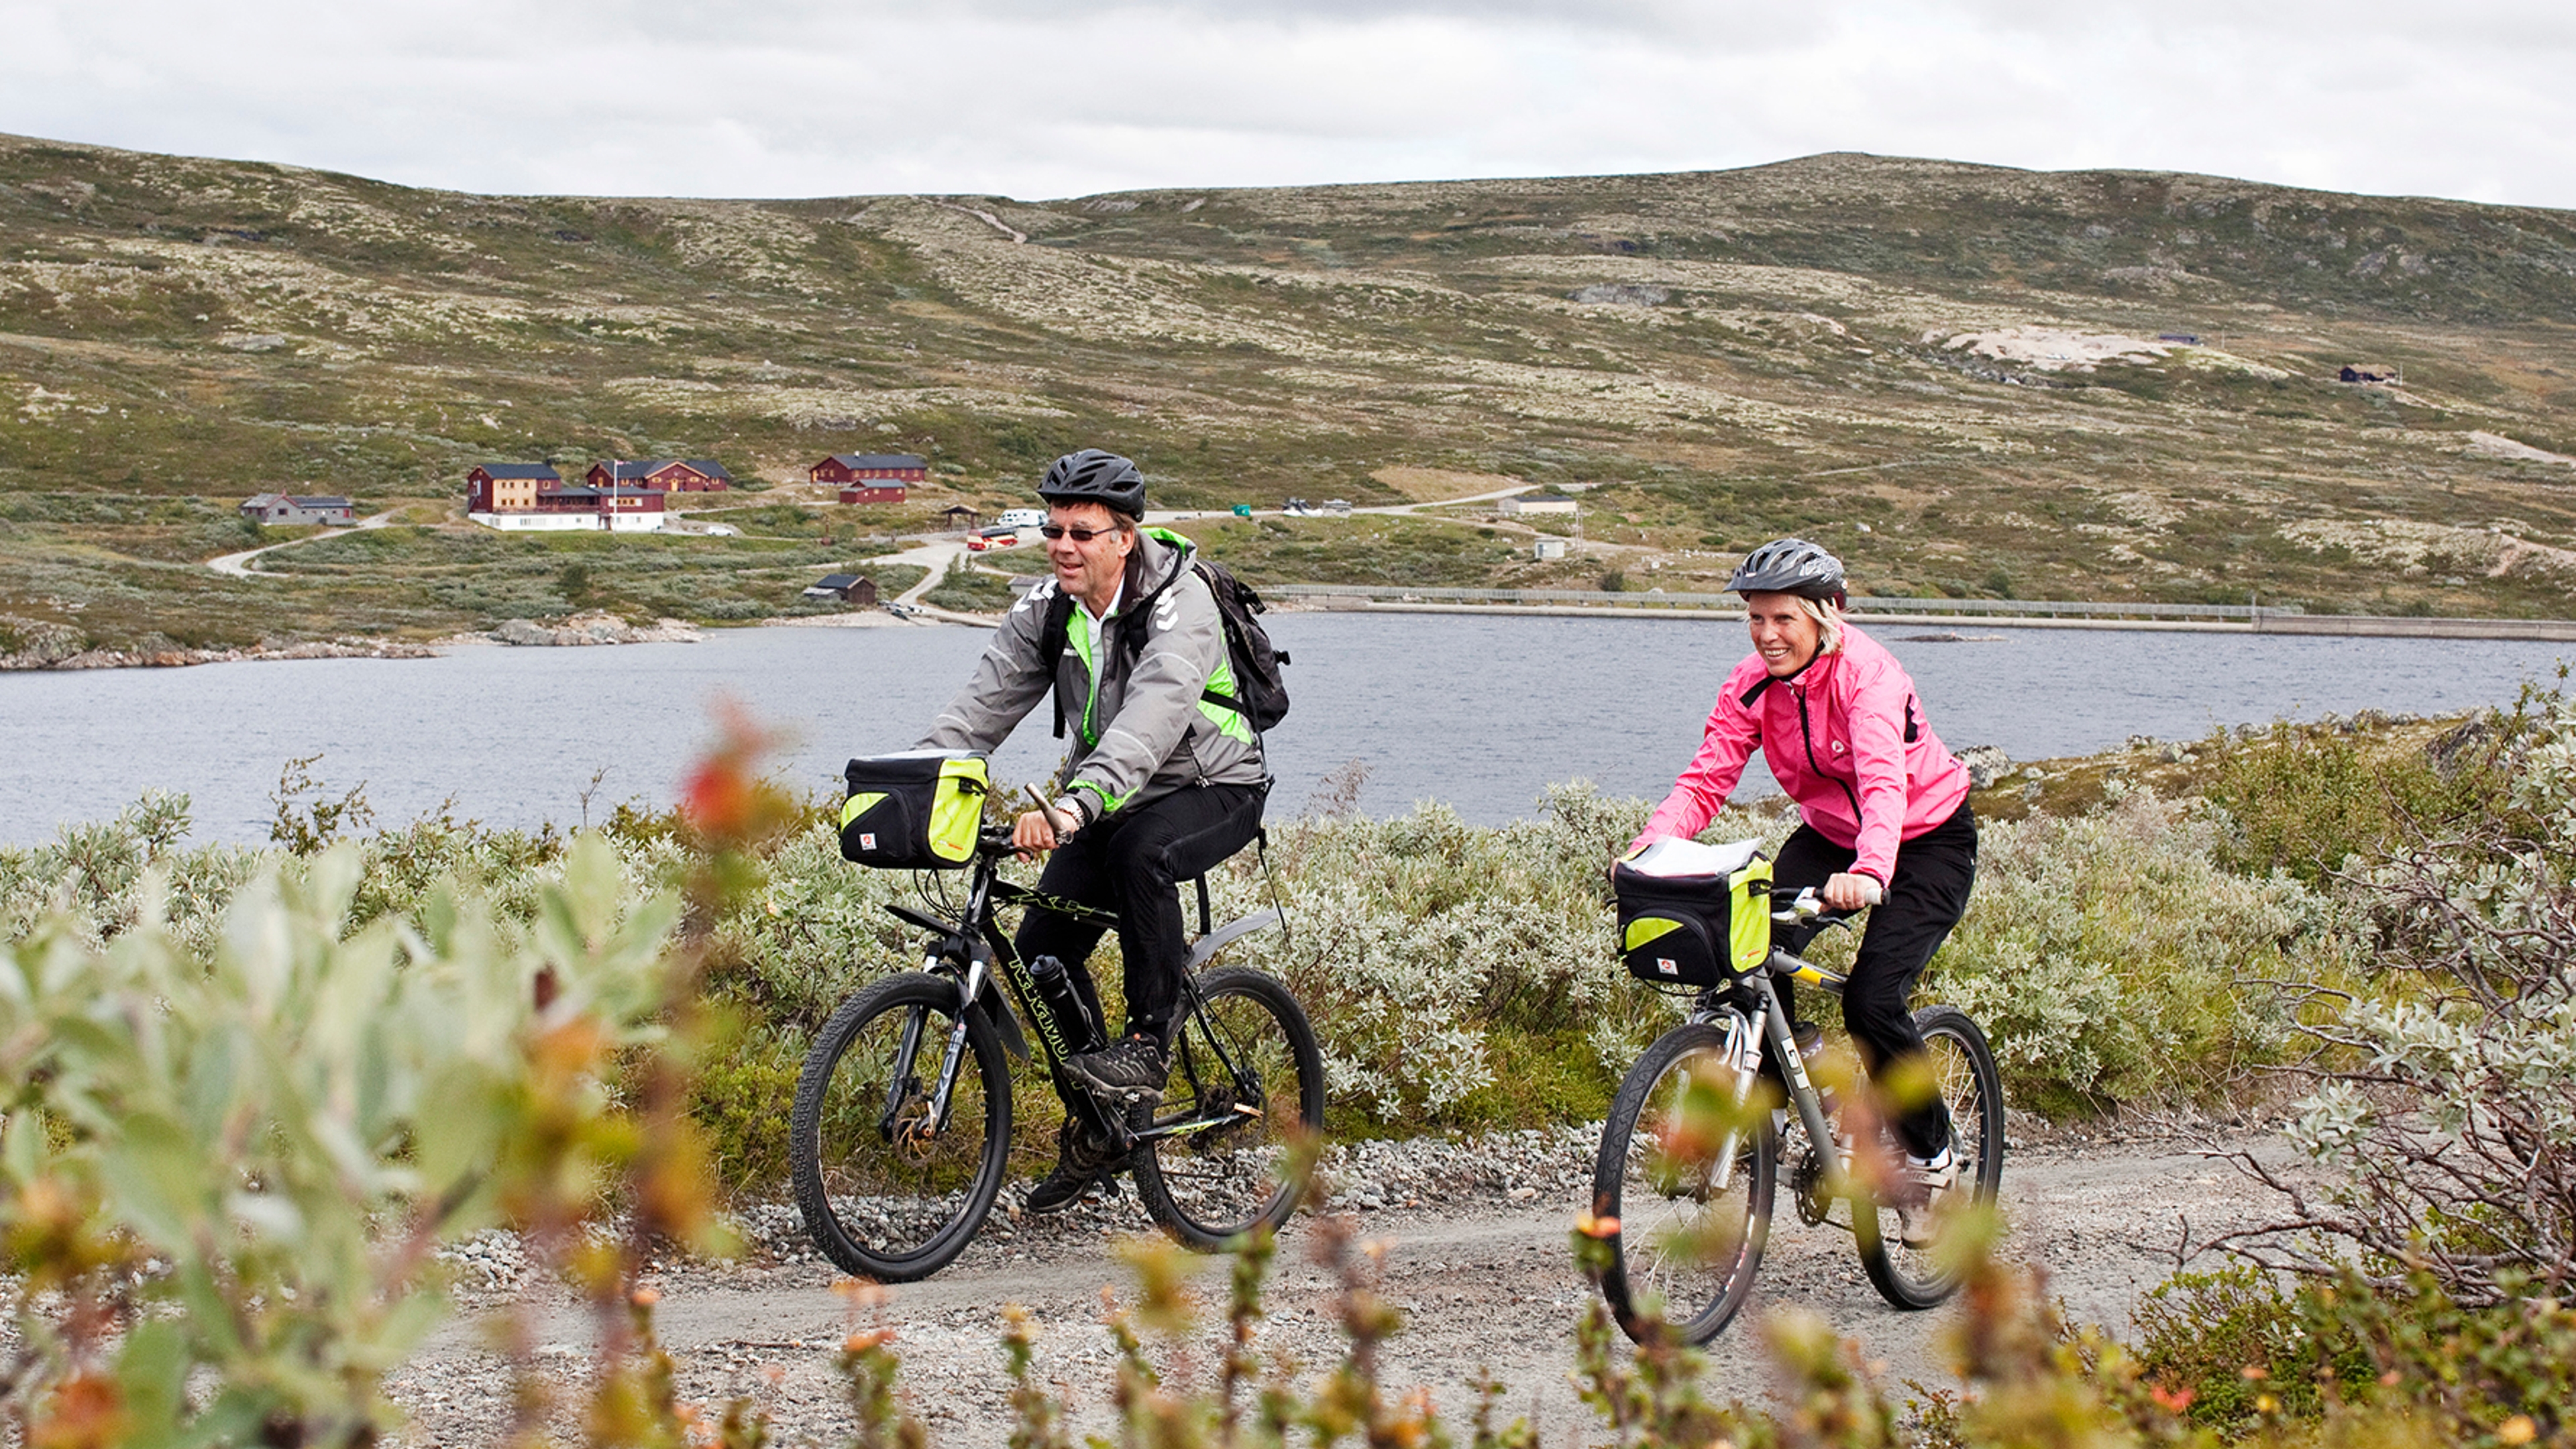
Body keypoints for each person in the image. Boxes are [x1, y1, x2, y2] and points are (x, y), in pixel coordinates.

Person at [918, 448, 1269, 1212]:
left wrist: (1078, 805)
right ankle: (1101, 1129)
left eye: (1082, 532)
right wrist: (915, 782)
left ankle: (1146, 1047)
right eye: (1053, 531)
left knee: (1143, 854)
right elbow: (978, 710)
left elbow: (1154, 714)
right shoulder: (1047, 608)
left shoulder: (1183, 605)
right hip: (1109, 794)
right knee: (1041, 950)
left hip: (1213, 785)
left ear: (1125, 538)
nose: (1063, 546)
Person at [1625, 537, 1977, 1244]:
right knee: (1748, 945)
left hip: (1926, 839)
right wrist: (1650, 848)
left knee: (1873, 998)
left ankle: (1934, 1160)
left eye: (1783, 619)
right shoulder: (1752, 684)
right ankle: (1786, 1082)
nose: (1766, 634)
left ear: (1826, 615)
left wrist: (1873, 870)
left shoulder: (1867, 678)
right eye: (1755, 619)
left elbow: (1884, 782)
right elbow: (1706, 778)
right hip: (1829, 835)